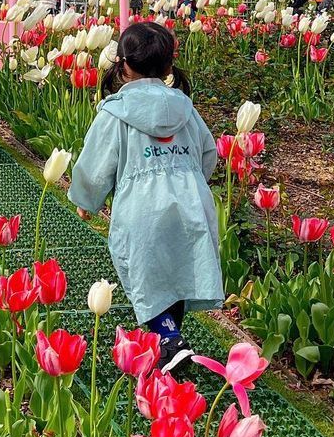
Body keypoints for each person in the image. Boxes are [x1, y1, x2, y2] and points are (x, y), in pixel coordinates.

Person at [67, 20, 223, 375]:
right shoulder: (183, 106)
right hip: (190, 200)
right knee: (179, 267)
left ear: (122, 64)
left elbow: (95, 165)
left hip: (142, 207)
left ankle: (169, 341)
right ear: (169, 66)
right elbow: (208, 151)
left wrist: (86, 199)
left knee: (145, 273)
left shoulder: (115, 112)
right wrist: (192, 182)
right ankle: (171, 338)